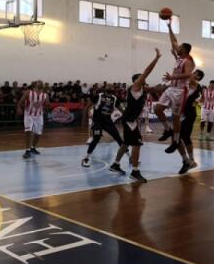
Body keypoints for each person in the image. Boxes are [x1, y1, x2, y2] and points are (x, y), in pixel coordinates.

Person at [107, 48, 162, 183]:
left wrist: (172, 82)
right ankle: (135, 171)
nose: (144, 79)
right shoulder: (136, 86)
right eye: (141, 77)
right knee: (137, 144)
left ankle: (115, 164)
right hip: (129, 120)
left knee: (126, 143)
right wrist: (156, 58)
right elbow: (147, 71)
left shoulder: (143, 89)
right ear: (136, 80)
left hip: (130, 119)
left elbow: (157, 88)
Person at [155, 18, 195, 154]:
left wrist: (172, 77)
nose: (177, 48)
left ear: (184, 50)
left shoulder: (188, 61)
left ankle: (176, 140)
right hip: (171, 88)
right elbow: (174, 41)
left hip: (180, 91)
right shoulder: (179, 58)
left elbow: (188, 74)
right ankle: (167, 130)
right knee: (157, 109)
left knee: (175, 117)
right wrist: (169, 28)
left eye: (179, 48)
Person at [81, 87, 126, 168]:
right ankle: (86, 159)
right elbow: (87, 107)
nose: (109, 94)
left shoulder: (114, 98)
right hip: (98, 122)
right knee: (96, 138)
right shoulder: (99, 96)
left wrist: (126, 116)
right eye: (108, 92)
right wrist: (84, 119)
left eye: (111, 92)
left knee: (118, 138)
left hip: (108, 122)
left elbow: (121, 109)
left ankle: (130, 156)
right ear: (105, 91)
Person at [177, 70, 205, 174]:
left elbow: (202, 99)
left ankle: (190, 161)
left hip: (190, 114)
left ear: (198, 78)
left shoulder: (197, 86)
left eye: (195, 74)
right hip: (181, 113)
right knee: (178, 138)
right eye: (193, 72)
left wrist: (196, 102)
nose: (192, 74)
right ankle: (188, 160)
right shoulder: (186, 85)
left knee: (181, 137)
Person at [17, 80, 50, 159]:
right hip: (28, 115)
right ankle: (27, 150)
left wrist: (47, 105)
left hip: (39, 115)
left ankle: (32, 147)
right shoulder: (28, 92)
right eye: (38, 82)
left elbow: (47, 105)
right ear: (34, 85)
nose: (40, 82)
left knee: (38, 133)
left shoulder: (45, 95)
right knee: (28, 131)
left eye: (41, 82)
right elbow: (21, 101)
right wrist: (19, 108)